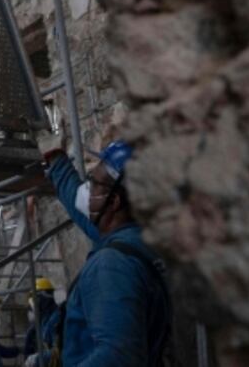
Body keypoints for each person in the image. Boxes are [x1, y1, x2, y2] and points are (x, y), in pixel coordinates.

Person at [32, 132, 173, 366]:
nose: (87, 193)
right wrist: (56, 161)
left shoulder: (112, 264)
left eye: (95, 184)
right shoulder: (138, 242)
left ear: (114, 202)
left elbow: (118, 357)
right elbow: (79, 204)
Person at [23, 277, 58, 357]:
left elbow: (58, 351)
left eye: (36, 298)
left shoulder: (55, 318)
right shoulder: (43, 320)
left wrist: (38, 358)